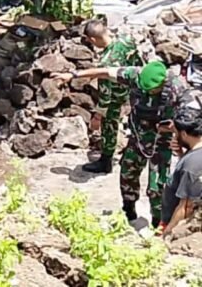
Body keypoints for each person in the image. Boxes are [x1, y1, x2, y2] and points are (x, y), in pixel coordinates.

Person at [53, 60, 188, 228]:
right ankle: (128, 212)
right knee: (127, 174)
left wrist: (175, 131)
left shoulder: (178, 88)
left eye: (151, 90)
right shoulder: (135, 74)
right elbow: (105, 71)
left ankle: (158, 223)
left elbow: (188, 119)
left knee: (158, 186)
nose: (147, 92)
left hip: (161, 141)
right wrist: (72, 75)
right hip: (139, 136)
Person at [82, 20, 141, 173]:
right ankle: (130, 153)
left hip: (116, 96)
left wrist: (97, 117)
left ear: (93, 39)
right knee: (137, 124)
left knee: (109, 125)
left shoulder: (106, 62)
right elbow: (138, 61)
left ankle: (105, 161)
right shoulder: (126, 40)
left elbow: (105, 97)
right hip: (135, 88)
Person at [161, 107, 202, 236]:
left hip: (175, 224)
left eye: (176, 133)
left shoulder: (191, 165)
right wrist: (181, 154)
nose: (175, 136)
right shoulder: (194, 153)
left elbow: (185, 207)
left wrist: (166, 234)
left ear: (184, 134)